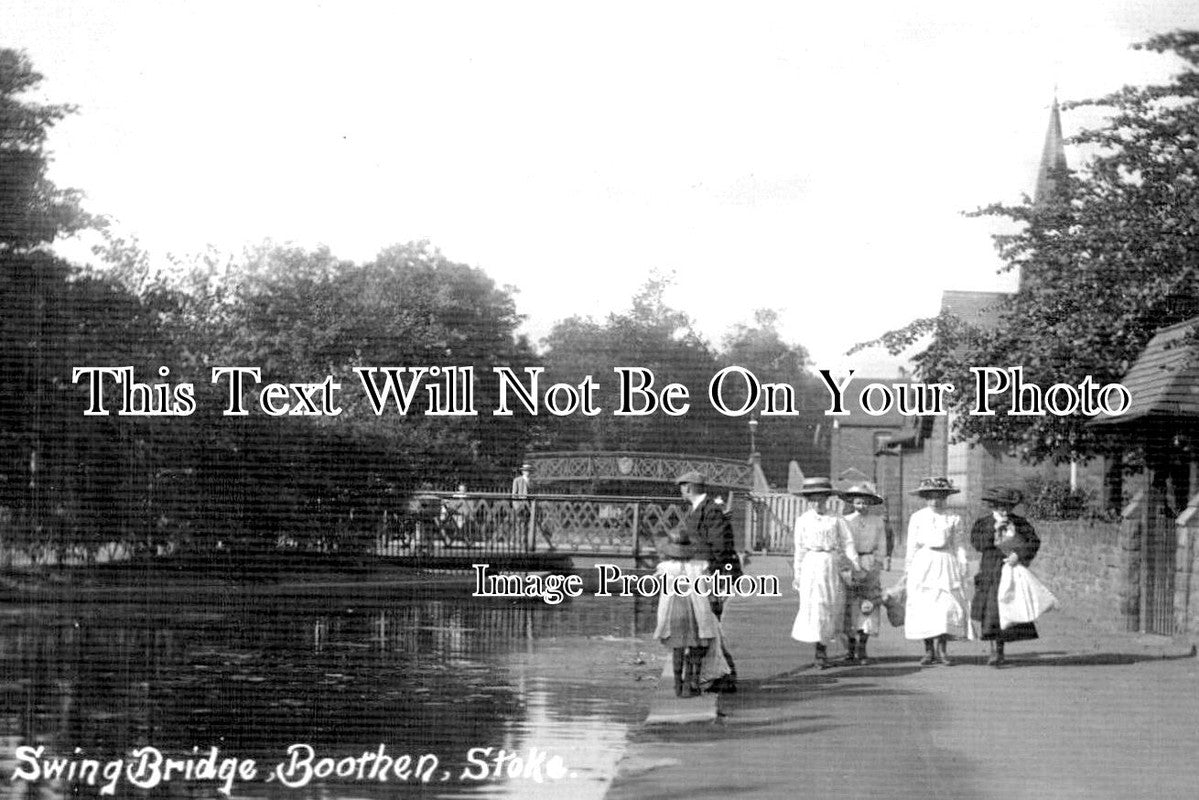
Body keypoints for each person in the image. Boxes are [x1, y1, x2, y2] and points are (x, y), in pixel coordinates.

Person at [675, 470, 740, 691]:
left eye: (682, 486)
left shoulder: (711, 511)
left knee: (710, 625)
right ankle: (721, 674)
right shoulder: (699, 509)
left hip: (712, 576)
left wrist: (711, 580)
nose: (681, 490)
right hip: (702, 576)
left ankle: (725, 676)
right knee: (709, 626)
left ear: (689, 487)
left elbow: (720, 549)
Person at [791, 477, 861, 669]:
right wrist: (798, 573)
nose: (817, 503)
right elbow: (800, 549)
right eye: (812, 499)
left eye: (821, 498)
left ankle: (834, 643)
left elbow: (848, 543)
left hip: (831, 564)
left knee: (832, 606)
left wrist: (854, 565)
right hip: (812, 565)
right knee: (815, 607)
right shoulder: (803, 520)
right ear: (808, 500)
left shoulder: (837, 519)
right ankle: (819, 651)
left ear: (827, 498)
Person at [652, 528, 730, 697]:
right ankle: (691, 681)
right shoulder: (700, 566)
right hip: (696, 611)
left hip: (673, 611)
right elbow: (710, 589)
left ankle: (677, 685)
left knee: (677, 649)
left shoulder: (664, 568)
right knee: (696, 648)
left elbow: (656, 586)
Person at [970, 486, 1042, 667]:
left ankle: (1001, 648)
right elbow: (977, 544)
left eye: (1008, 507)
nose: (1004, 511)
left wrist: (1019, 554)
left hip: (1012, 570)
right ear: (992, 506)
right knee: (992, 610)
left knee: (1008, 606)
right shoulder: (984, 523)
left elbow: (1033, 541)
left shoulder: (1020, 523)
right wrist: (993, 531)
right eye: (1000, 507)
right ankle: (995, 650)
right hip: (990, 569)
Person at [904, 477, 969, 666]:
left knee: (945, 606)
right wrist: (908, 569)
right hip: (924, 562)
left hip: (946, 561)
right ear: (925, 498)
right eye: (930, 497)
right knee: (925, 605)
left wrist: (962, 563)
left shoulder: (953, 518)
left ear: (946, 497)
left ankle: (942, 650)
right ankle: (928, 650)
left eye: (939, 496)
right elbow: (912, 545)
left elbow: (959, 545)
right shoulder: (917, 517)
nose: (935, 501)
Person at [841, 482, 887, 665]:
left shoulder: (877, 521)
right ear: (853, 502)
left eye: (866, 502)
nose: (862, 506)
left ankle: (863, 647)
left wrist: (877, 563)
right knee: (849, 605)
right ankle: (851, 646)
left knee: (868, 603)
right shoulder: (845, 521)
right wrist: (846, 566)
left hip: (869, 562)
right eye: (859, 502)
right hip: (851, 563)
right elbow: (842, 543)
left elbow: (882, 545)